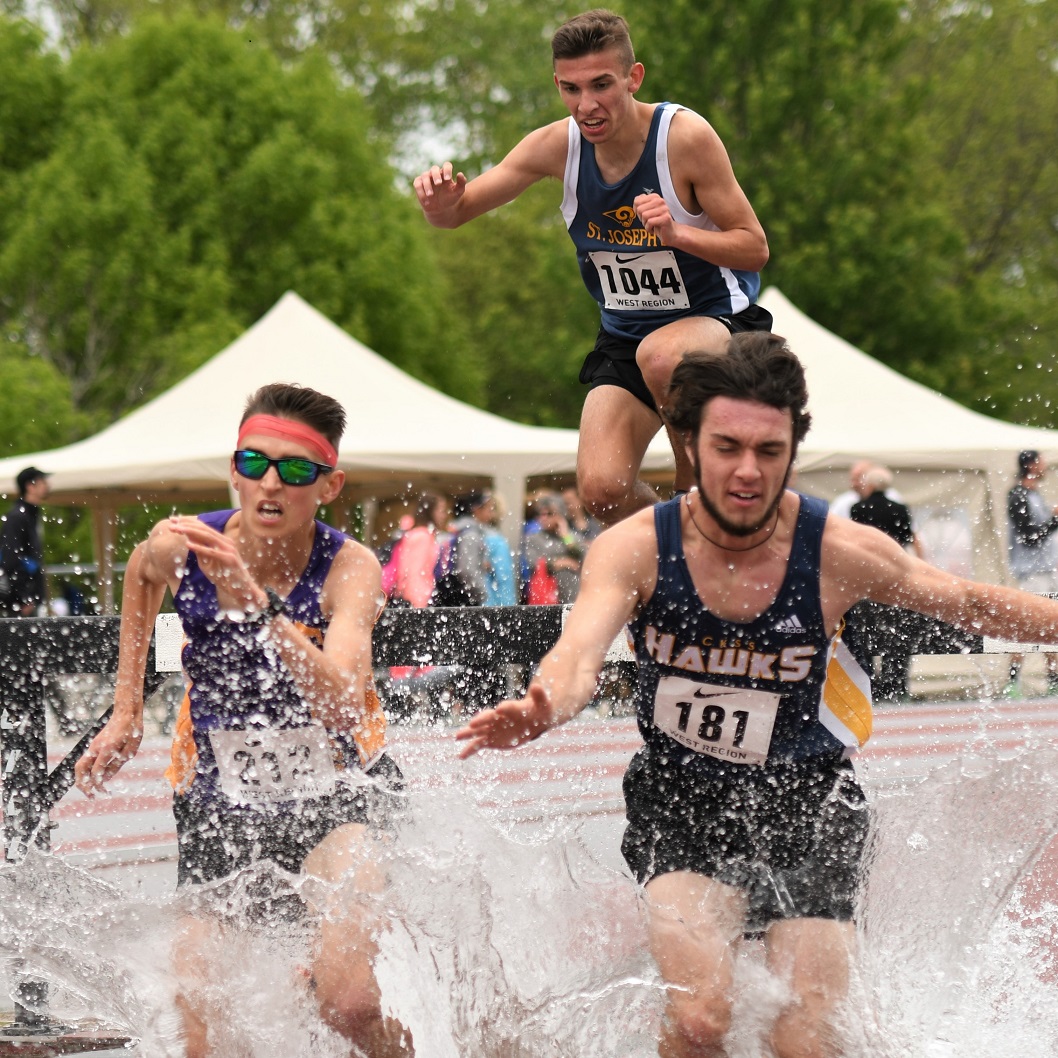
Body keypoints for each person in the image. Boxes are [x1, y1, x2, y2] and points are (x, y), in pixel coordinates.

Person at [457, 333, 1058, 1058]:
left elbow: (966, 601)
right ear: (691, 444)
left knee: (804, 1037)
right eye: (727, 447)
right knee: (702, 1020)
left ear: (794, 450)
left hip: (811, 801)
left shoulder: (837, 549)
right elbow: (579, 651)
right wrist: (544, 704)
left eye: (768, 452)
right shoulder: (637, 547)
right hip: (680, 800)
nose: (746, 471)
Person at [73, 383, 413, 1058]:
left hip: (337, 799)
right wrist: (127, 710)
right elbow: (140, 576)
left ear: (329, 485)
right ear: (233, 469)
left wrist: (259, 608)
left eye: (294, 471)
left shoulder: (349, 568)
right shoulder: (185, 544)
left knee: (350, 1005)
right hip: (220, 803)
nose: (269, 484)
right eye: (253, 463)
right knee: (202, 1030)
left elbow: (344, 701)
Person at [414, 9, 770, 526]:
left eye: (602, 85)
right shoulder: (556, 146)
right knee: (601, 491)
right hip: (625, 338)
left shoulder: (683, 139)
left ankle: (699, 502)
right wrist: (440, 206)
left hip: (718, 325)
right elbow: (459, 211)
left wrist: (677, 235)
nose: (588, 105)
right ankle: (671, 547)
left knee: (664, 354)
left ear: (634, 77)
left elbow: (753, 246)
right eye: (571, 89)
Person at [849, 465, 923, 702]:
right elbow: (906, 539)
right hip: (896, 576)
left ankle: (870, 683)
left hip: (867, 576)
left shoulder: (858, 508)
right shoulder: (901, 509)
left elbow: (857, 541)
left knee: (866, 631)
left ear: (869, 485)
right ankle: (897, 683)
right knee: (899, 632)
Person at [1005, 449, 1058, 697]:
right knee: (1026, 624)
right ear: (1031, 465)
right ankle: (1013, 680)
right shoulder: (1017, 495)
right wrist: (1054, 520)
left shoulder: (1036, 495)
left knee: (1052, 626)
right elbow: (1029, 535)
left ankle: (1053, 679)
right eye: (1041, 462)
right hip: (1033, 574)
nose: (1045, 466)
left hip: (1048, 571)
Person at [0, 466, 50, 615]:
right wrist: (23, 598)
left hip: (29, 599)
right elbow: (11, 560)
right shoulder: (18, 517)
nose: (47, 485)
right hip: (18, 603)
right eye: (42, 481)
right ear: (30, 486)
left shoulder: (30, 515)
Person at [522, 493, 586, 604]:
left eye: (549, 514)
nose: (544, 518)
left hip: (573, 596)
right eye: (541, 514)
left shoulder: (571, 536)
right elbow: (533, 563)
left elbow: (583, 557)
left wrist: (566, 537)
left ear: (560, 514)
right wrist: (562, 563)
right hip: (547, 596)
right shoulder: (533, 538)